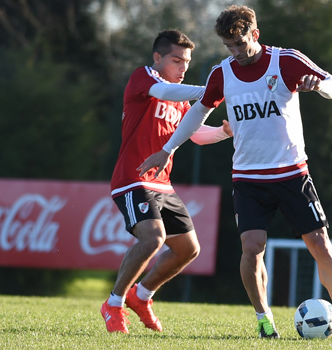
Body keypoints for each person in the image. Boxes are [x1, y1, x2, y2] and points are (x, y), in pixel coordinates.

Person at [138, 6, 332, 341]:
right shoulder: (223, 73)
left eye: (241, 43)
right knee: (252, 248)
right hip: (248, 179)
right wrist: (168, 149)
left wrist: (318, 87)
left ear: (255, 34)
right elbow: (196, 114)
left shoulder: (286, 60)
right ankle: (265, 321)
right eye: (229, 46)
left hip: (292, 173)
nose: (236, 52)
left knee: (320, 244)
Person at [101, 29, 232, 334]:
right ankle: (114, 303)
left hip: (162, 184)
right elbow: (163, 93)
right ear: (157, 58)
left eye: (186, 61)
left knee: (188, 249)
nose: (183, 67)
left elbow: (197, 135)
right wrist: (209, 90)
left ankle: (141, 296)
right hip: (132, 179)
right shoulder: (144, 78)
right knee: (153, 238)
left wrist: (225, 132)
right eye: (176, 60)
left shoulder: (179, 95)